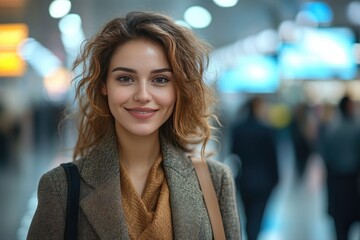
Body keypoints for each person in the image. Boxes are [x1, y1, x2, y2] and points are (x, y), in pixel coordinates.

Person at [27, 11, 241, 239]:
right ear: (103, 85)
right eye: (125, 78)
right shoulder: (62, 188)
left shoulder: (214, 181)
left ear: (178, 89)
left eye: (160, 80)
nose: (142, 95)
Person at [230, 96, 279, 240]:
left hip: (244, 180)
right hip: (264, 181)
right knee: (258, 217)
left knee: (248, 215)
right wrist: (276, 178)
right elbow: (272, 158)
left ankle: (250, 234)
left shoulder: (238, 129)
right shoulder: (266, 130)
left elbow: (233, 153)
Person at [320, 95, 360, 240]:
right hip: (352, 184)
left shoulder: (331, 128)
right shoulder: (356, 128)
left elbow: (325, 155)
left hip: (336, 183)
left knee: (340, 228)